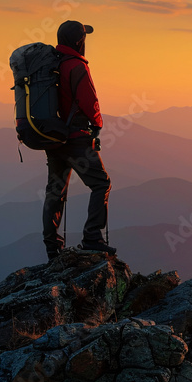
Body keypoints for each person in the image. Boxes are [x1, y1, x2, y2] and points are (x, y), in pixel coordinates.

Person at [42, 20, 115, 259]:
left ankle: (53, 248)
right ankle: (92, 237)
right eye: (84, 36)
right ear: (78, 40)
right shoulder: (77, 66)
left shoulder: (51, 63)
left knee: (55, 191)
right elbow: (89, 101)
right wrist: (97, 125)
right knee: (101, 183)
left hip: (53, 138)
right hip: (76, 138)